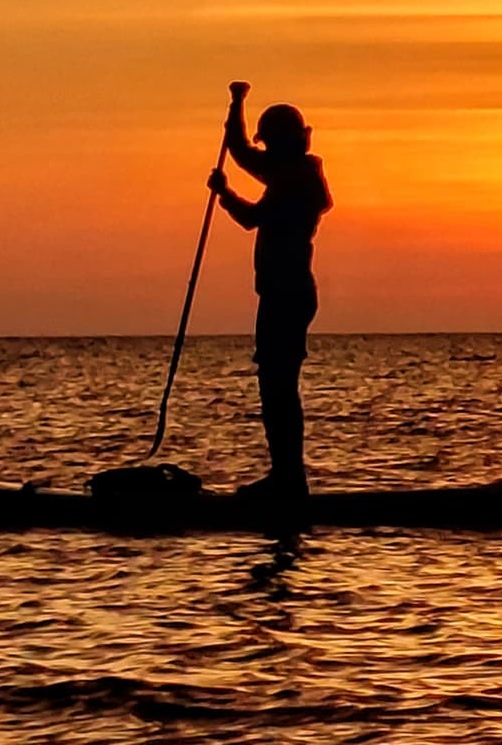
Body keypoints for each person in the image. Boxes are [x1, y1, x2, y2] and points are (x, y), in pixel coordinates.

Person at [206, 81, 332, 500]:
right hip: (281, 293)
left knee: (279, 387)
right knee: (274, 385)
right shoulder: (288, 172)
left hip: (288, 294)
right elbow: (241, 151)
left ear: (283, 143)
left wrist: (224, 194)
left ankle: (289, 480)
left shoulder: (297, 181)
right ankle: (285, 476)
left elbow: (250, 217)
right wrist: (237, 104)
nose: (266, 152)